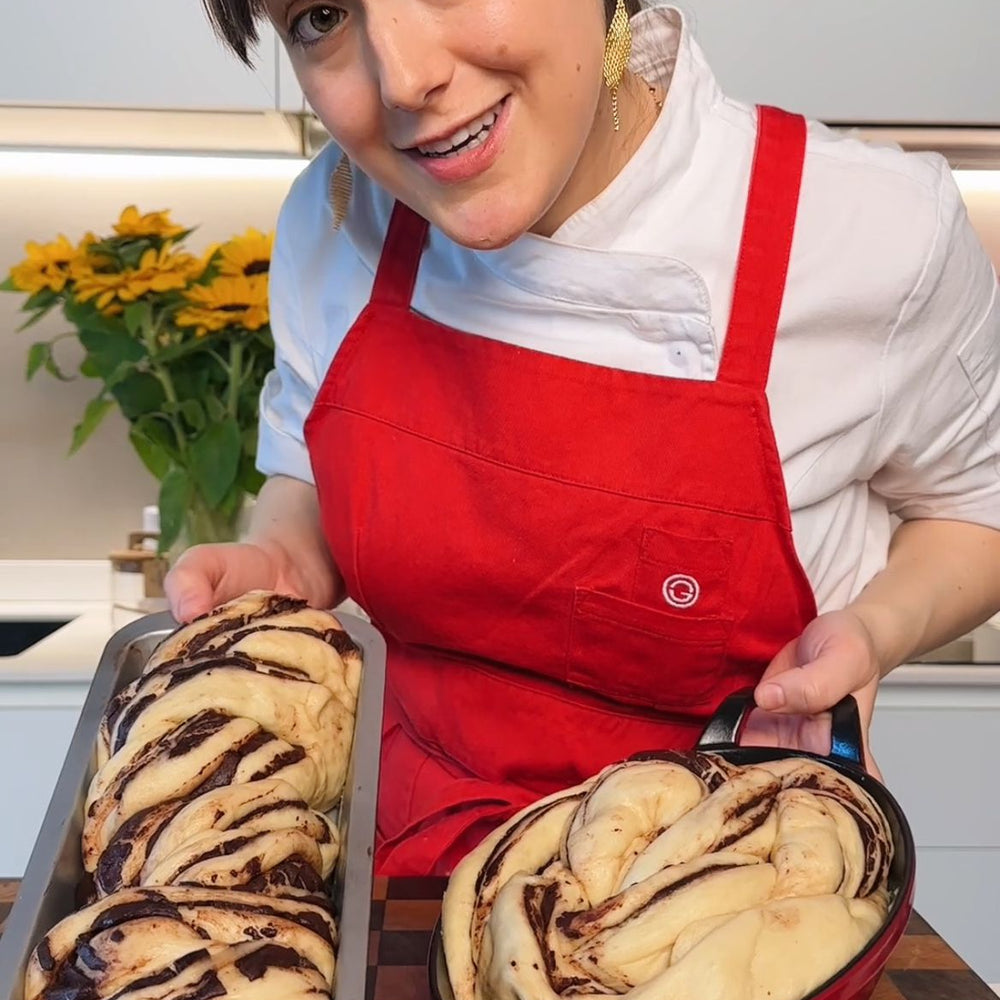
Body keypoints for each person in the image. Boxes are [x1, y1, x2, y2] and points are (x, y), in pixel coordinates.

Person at [168, 0, 1000, 875]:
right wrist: (287, 556)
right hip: (396, 881)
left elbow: (980, 511)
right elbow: (308, 456)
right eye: (321, 15)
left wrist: (877, 627)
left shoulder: (874, 231)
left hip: (723, 903)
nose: (405, 78)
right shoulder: (336, 219)